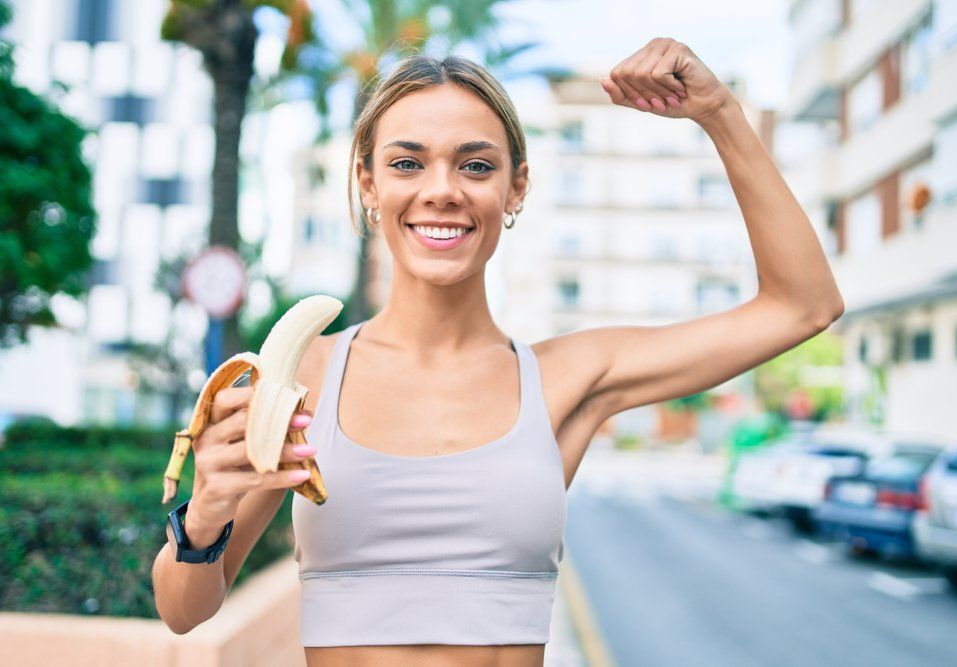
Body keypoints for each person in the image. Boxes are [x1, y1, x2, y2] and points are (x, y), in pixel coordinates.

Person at [152, 39, 844, 667]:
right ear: (369, 185)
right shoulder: (302, 376)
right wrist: (207, 511)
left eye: (476, 164)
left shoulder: (571, 377)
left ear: (515, 188)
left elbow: (803, 305)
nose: (442, 189)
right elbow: (184, 611)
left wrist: (719, 111)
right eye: (406, 162)